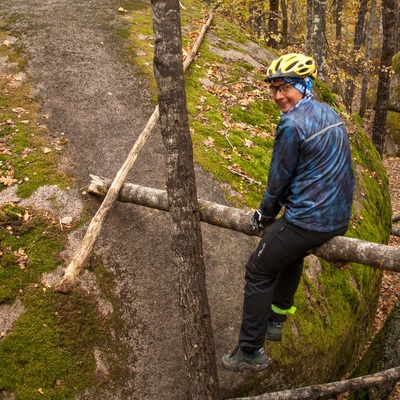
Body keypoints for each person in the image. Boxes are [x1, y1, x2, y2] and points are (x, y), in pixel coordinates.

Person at [222, 53, 355, 372]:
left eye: (286, 87)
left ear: (304, 85)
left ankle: (250, 351)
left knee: (257, 269)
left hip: (309, 220)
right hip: (336, 218)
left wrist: (264, 215)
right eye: (274, 89)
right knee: (289, 254)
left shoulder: (292, 123)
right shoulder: (328, 112)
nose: (279, 95)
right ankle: (277, 320)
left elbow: (278, 179)